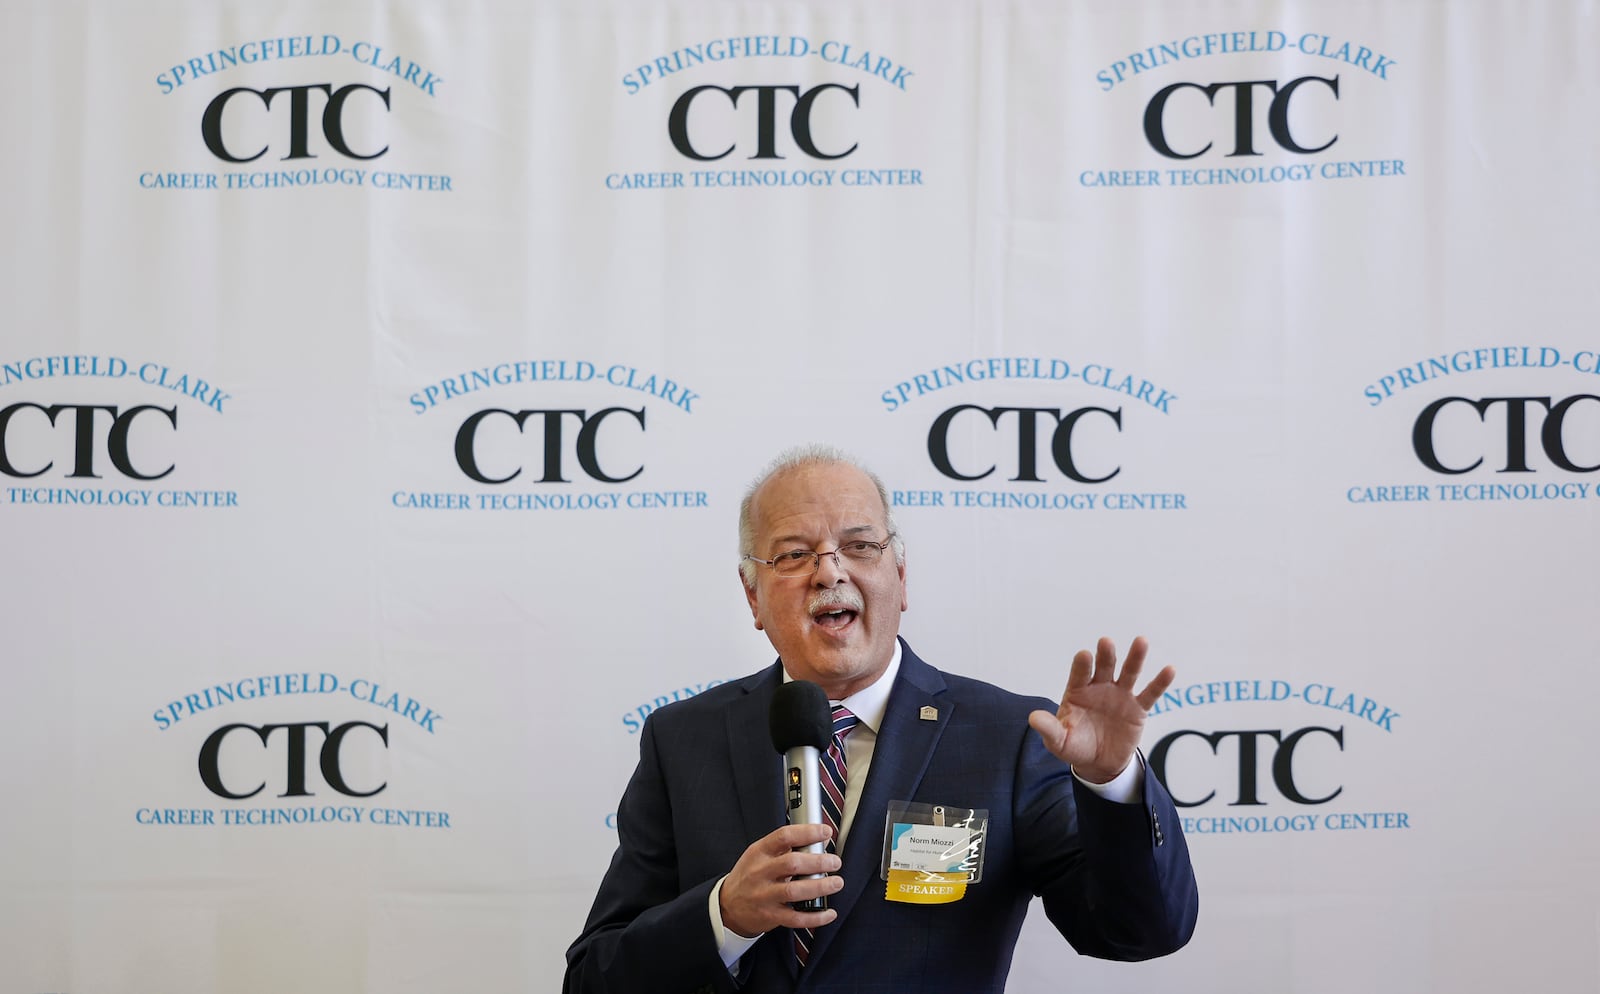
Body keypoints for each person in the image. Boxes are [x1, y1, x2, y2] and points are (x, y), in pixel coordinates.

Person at [565, 445, 1198, 994]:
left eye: (860, 546)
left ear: (899, 575)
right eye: (793, 555)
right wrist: (724, 915)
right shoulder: (684, 740)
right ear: (752, 596)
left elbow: (1137, 933)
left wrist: (1113, 785)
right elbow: (594, 978)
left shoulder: (1007, 738)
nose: (830, 572)